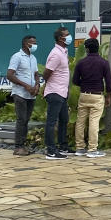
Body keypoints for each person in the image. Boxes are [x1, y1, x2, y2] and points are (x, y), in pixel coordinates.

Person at [72, 38, 111, 158]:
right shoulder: (104, 63)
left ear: (87, 49)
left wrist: (84, 84)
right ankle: (92, 149)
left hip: (84, 94)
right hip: (97, 95)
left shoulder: (81, 63)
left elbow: (75, 81)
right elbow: (109, 83)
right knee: (94, 122)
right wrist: (108, 96)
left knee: (80, 122)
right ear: (98, 47)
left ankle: (79, 148)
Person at [6, 35, 40, 156]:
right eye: (33, 43)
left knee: (26, 120)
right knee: (21, 120)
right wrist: (25, 86)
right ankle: (18, 147)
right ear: (26, 44)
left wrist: (37, 85)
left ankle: (23, 146)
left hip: (31, 95)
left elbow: (36, 73)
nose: (35, 45)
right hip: (20, 94)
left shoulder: (33, 58)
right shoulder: (17, 57)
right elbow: (10, 75)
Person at [43, 26, 73, 160]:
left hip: (62, 92)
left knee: (64, 119)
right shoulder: (56, 54)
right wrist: (52, 86)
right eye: (67, 35)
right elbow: (46, 73)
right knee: (51, 122)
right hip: (55, 92)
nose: (69, 36)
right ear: (61, 38)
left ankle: (63, 145)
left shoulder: (63, 52)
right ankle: (50, 150)